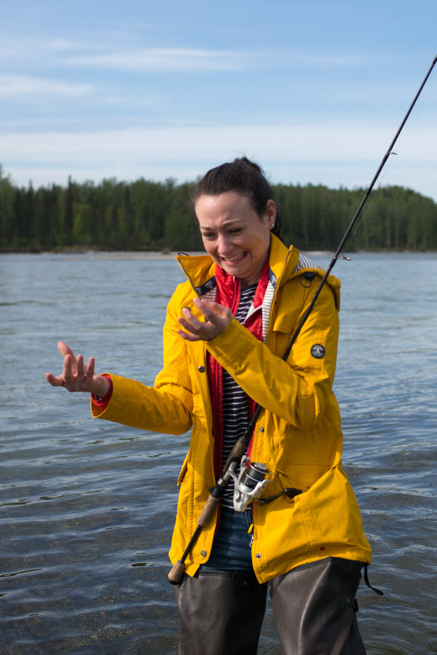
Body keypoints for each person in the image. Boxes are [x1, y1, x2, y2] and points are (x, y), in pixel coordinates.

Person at [46, 156, 373, 654]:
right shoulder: (187, 300)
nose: (223, 248)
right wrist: (104, 390)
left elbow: (306, 405)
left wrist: (230, 339)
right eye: (208, 234)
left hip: (302, 507)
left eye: (235, 229)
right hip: (215, 508)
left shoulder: (312, 295)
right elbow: (178, 409)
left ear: (269, 214)